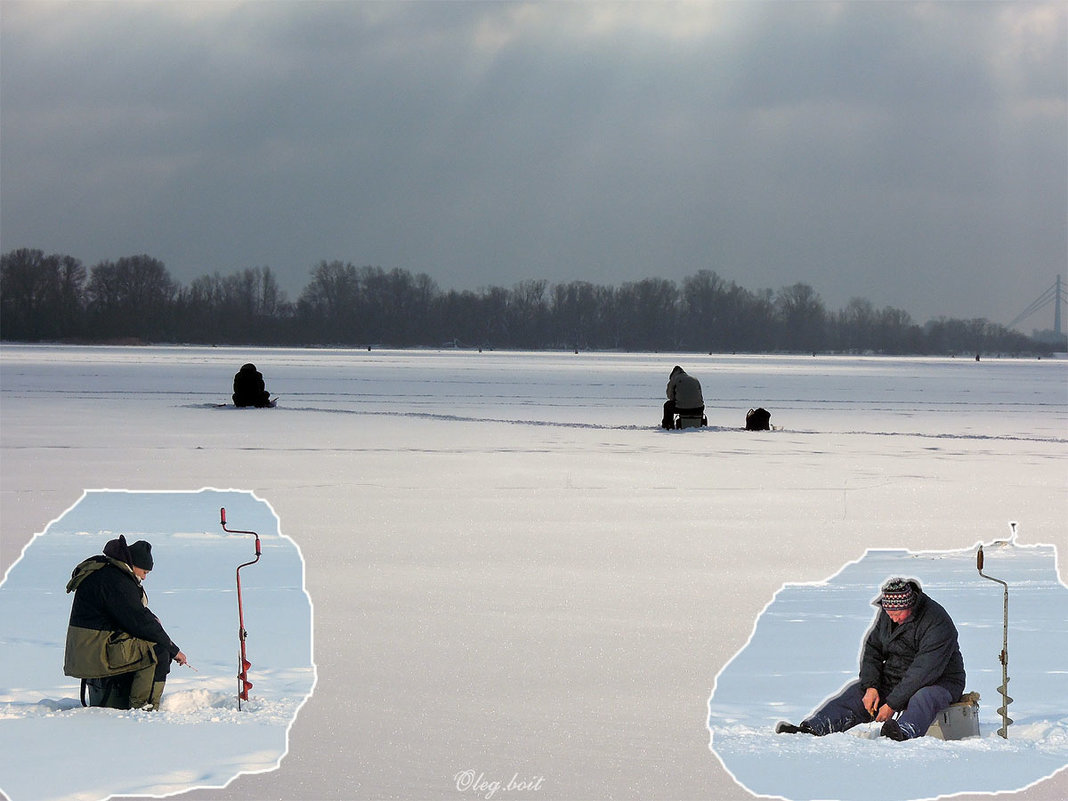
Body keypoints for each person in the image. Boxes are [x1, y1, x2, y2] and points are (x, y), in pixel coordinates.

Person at [776, 577, 965, 741]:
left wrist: (891, 704)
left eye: (897, 614)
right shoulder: (889, 613)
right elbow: (873, 649)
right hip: (897, 677)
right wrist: (871, 686)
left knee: (923, 697)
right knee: (857, 693)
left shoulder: (936, 621)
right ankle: (814, 728)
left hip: (940, 680)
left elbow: (924, 672)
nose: (893, 618)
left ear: (910, 604)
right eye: (889, 613)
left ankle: (903, 733)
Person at [64, 535, 188, 710]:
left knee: (151, 645)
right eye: (144, 572)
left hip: (89, 648)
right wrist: (173, 649)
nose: (144, 578)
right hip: (95, 651)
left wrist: (151, 620)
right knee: (157, 652)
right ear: (133, 565)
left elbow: (134, 615)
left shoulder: (108, 573)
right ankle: (144, 710)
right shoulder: (116, 581)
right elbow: (139, 621)